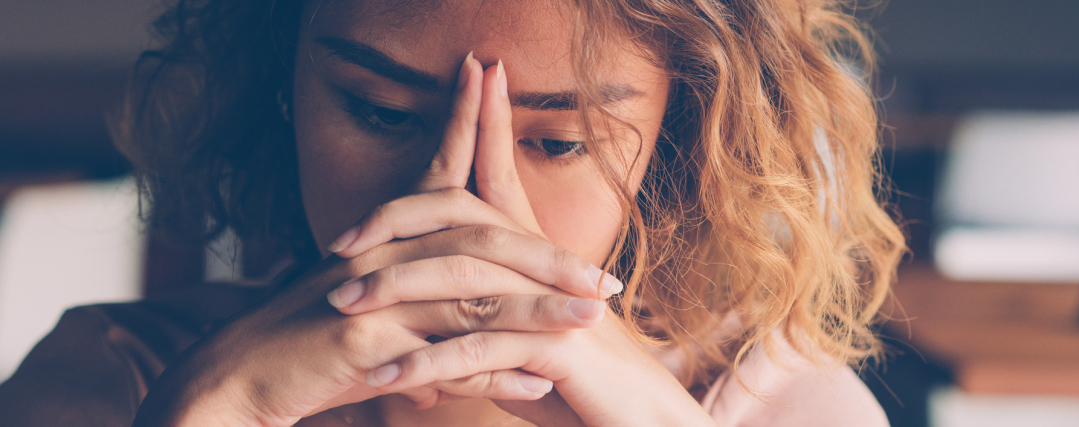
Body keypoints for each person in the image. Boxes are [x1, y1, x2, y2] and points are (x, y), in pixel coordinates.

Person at [0, 0, 905, 425]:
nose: (465, 199)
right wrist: (213, 412)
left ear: (679, 134)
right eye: (381, 113)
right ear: (281, 88)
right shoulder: (113, 380)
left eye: (561, 140)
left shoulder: (773, 408)